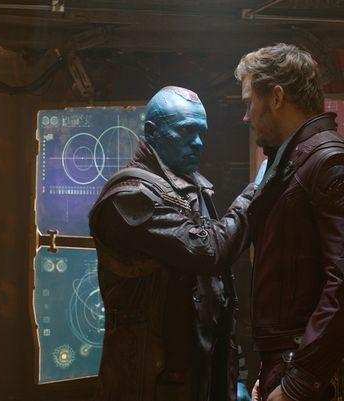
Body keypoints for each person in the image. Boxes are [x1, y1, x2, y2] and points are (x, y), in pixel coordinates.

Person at [89, 86, 253, 401]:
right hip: (147, 385)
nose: (198, 142)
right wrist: (255, 192)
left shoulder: (190, 187)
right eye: (186, 131)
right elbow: (208, 253)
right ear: (152, 132)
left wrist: (232, 377)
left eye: (202, 133)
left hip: (192, 380)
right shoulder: (130, 197)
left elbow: (216, 295)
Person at [235, 44, 344, 401]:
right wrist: (274, 369)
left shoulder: (331, 163)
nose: (246, 117)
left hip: (316, 377)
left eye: (249, 102)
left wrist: (299, 380)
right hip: (295, 366)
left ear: (277, 97)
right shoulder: (297, 163)